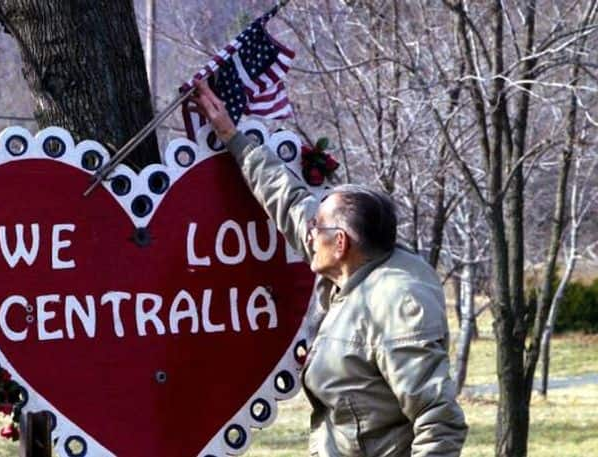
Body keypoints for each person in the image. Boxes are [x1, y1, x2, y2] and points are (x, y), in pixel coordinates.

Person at [189, 79, 468, 457]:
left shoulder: (399, 301)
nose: (308, 234)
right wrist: (232, 136)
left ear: (340, 243)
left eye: (317, 228)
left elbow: (439, 422)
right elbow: (289, 202)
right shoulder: (355, 263)